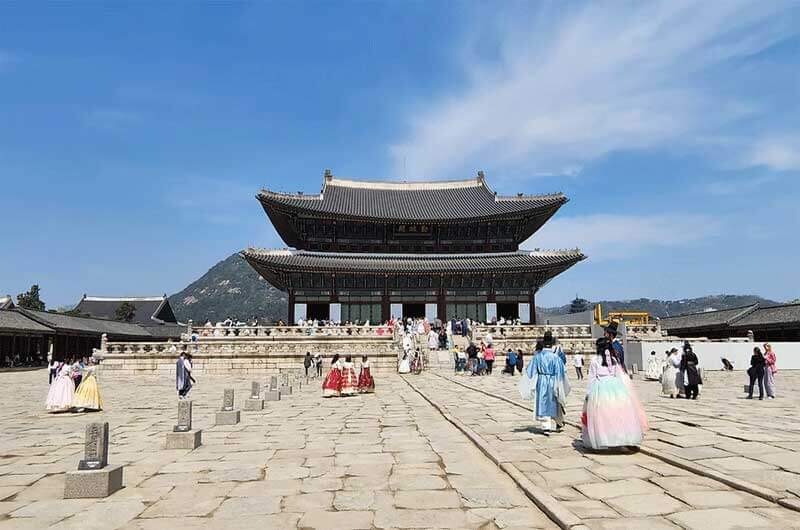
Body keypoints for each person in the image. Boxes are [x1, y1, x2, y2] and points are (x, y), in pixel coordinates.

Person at [581, 337, 648, 450]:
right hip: (616, 387)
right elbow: (618, 375)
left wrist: (589, 394)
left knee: (602, 416)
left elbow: (592, 378)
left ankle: (604, 439)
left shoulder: (595, 360)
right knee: (618, 414)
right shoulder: (614, 360)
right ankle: (620, 437)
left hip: (600, 387)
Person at [518, 331, 570, 432]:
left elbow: (530, 371)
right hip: (553, 380)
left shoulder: (538, 357)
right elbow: (562, 371)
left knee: (544, 401)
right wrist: (561, 383)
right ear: (552, 344)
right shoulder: (556, 358)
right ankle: (559, 421)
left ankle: (546, 425)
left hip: (541, 381)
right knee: (555, 401)